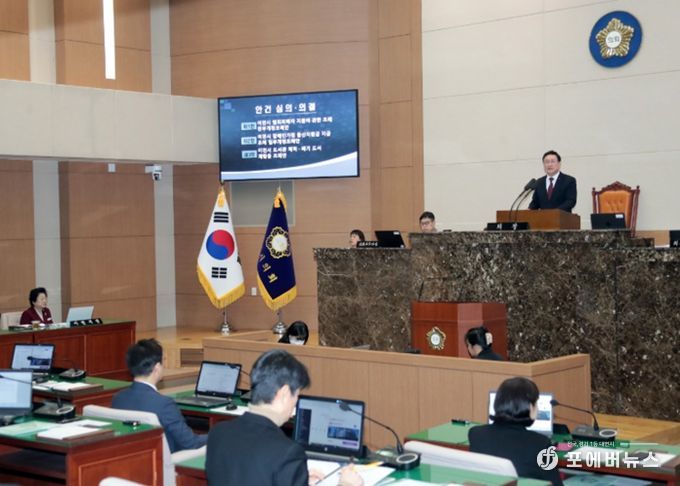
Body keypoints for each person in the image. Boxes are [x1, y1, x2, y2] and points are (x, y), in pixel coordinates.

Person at [206, 349, 362, 486]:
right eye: (297, 396)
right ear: (285, 394)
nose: (296, 402)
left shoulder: (218, 433)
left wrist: (297, 479)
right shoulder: (287, 452)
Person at [112, 339, 207, 453]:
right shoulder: (164, 404)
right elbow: (191, 443)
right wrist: (218, 434)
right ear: (157, 367)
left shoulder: (118, 398)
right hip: (169, 459)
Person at [469, 377, 563, 485]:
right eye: (536, 403)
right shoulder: (541, 443)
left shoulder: (476, 434)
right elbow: (556, 484)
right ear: (529, 407)